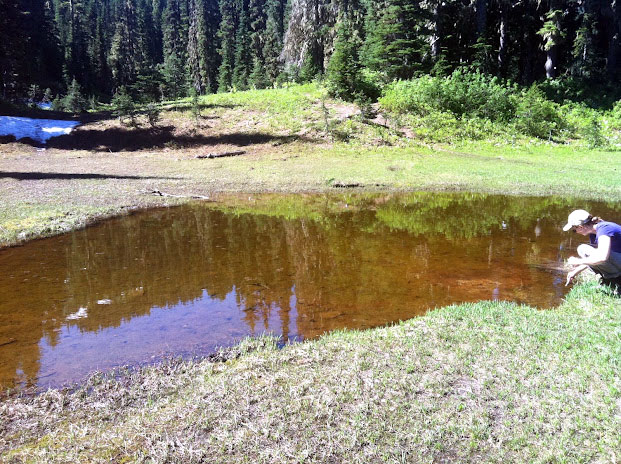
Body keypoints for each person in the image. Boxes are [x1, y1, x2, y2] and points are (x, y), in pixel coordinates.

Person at [563, 209, 621, 290]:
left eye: (574, 230)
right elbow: (594, 257)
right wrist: (575, 272)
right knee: (584, 250)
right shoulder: (594, 233)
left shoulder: (604, 229)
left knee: (583, 248)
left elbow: (602, 257)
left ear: (580, 227)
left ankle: (615, 281)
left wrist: (577, 261)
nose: (575, 232)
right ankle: (612, 281)